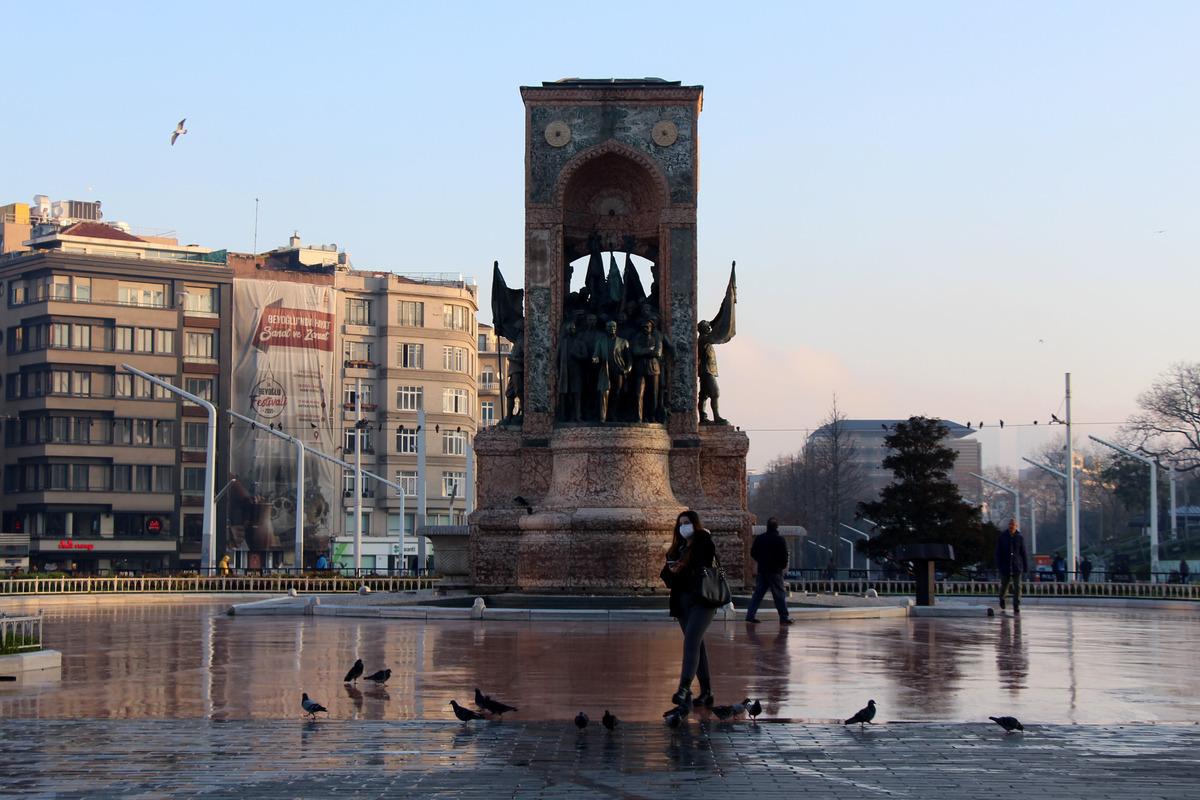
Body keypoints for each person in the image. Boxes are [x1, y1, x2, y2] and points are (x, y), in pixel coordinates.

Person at [661, 509, 718, 707]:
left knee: (692, 641)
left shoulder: (703, 542)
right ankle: (707, 692)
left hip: (702, 600)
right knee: (697, 644)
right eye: (681, 523)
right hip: (683, 602)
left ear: (695, 524)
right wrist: (672, 569)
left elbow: (703, 562)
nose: (684, 527)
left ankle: (684, 689)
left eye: (687, 523)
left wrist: (684, 566)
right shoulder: (677, 548)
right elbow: (666, 577)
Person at [745, 518, 793, 624]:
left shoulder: (760, 538)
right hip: (775, 571)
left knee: (757, 594)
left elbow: (753, 552)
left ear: (767, 526)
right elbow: (784, 556)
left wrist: (761, 560)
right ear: (777, 527)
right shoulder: (780, 539)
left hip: (763, 570)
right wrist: (781, 566)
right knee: (779, 595)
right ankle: (783, 617)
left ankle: (750, 615)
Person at [996, 519, 1029, 614]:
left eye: (1013, 525)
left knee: (1017, 586)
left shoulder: (1019, 537)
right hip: (1005, 566)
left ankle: (1016, 605)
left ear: (1016, 526)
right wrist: (999, 565)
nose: (1011, 527)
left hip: (1016, 566)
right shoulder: (1002, 537)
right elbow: (998, 552)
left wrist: (1025, 566)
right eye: (1010, 525)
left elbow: (1023, 553)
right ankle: (1002, 599)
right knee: (1004, 585)